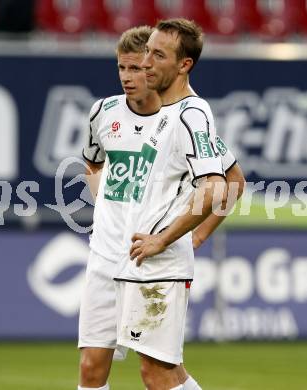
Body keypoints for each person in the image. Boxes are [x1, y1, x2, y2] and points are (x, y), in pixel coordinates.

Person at [79, 25, 244, 390]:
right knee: (91, 368)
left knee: (157, 375)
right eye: (130, 64)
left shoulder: (190, 115)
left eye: (152, 58)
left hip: (155, 262)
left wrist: (178, 238)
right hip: (108, 255)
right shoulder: (105, 112)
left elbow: (225, 185)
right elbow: (93, 163)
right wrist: (108, 214)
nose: (139, 69)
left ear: (183, 64)